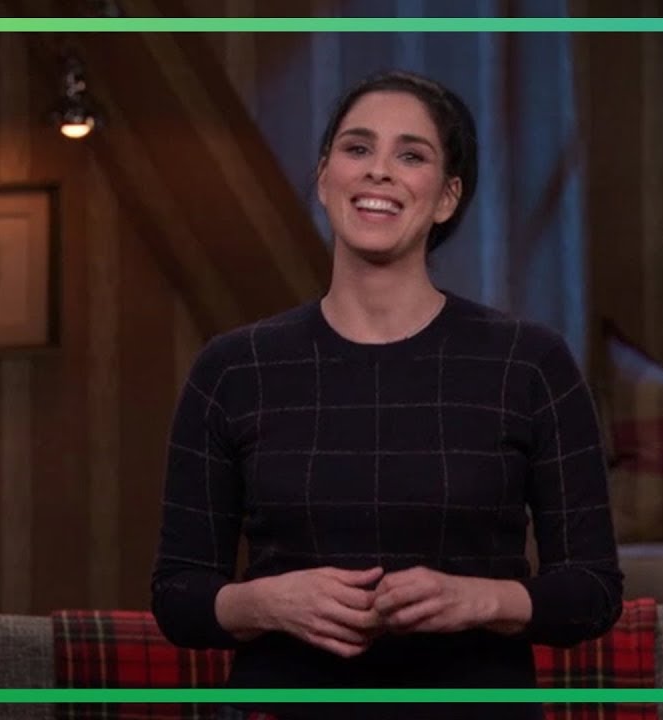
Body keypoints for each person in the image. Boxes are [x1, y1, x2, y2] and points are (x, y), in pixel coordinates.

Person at [151, 69, 623, 720]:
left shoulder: (529, 362)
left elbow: (593, 592)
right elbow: (177, 596)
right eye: (357, 148)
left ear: (447, 197)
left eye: (411, 155)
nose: (379, 170)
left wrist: (480, 599)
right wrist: (266, 602)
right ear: (324, 177)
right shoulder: (234, 368)